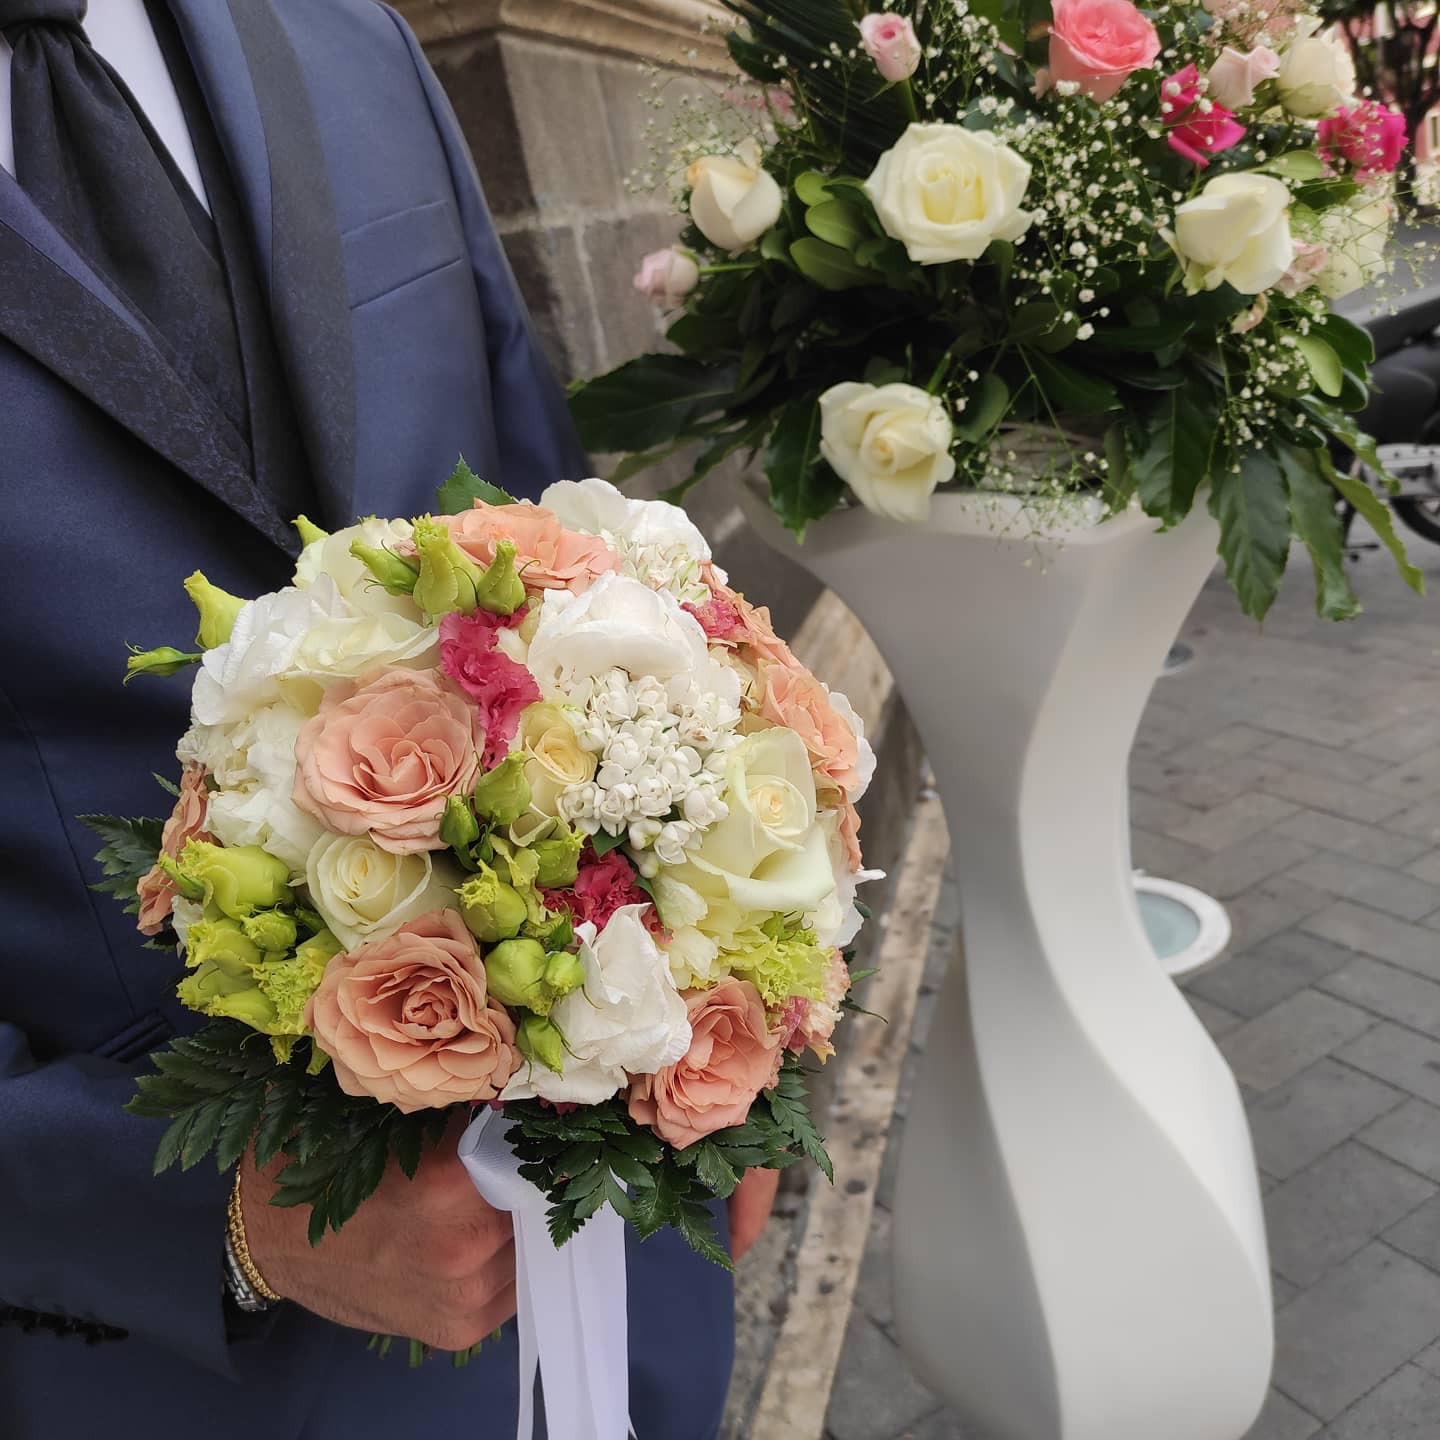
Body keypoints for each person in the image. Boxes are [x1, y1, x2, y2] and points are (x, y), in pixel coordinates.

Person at [0, 2, 771, 1434]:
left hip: (621, 1272)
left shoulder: (347, 38)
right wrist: (225, 1221)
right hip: (168, 1366)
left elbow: (570, 551)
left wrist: (744, 1013)